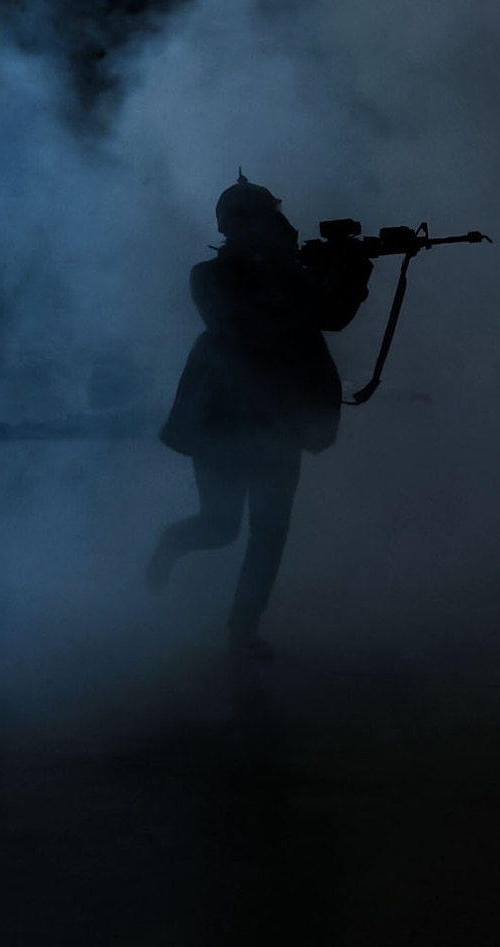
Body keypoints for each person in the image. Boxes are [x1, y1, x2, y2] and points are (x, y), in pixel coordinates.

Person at [146, 173, 374, 662]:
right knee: (222, 526)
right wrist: (298, 275)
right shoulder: (211, 275)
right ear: (236, 227)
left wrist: (352, 274)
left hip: (278, 419)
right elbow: (240, 325)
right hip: (222, 420)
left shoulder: (287, 274)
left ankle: (242, 634)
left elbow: (331, 316)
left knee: (269, 533)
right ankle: (172, 545)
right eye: (265, 219)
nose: (279, 227)